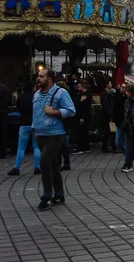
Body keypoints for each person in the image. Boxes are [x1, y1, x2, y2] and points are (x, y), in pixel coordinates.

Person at [31, 68, 76, 210]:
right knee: (54, 164)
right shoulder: (37, 94)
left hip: (55, 134)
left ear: (49, 79)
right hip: (41, 134)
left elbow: (71, 110)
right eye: (38, 76)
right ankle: (59, 194)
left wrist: (55, 112)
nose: (38, 78)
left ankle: (47, 196)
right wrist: (35, 128)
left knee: (44, 162)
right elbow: (36, 113)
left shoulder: (60, 93)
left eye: (41, 76)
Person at [8, 81, 41, 176]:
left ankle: (16, 168)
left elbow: (18, 109)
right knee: (36, 146)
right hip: (35, 123)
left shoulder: (21, 97)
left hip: (23, 124)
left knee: (21, 147)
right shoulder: (36, 96)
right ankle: (37, 167)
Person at [72, 81, 92, 154]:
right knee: (83, 132)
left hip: (82, 116)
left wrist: (82, 117)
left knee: (81, 132)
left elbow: (84, 107)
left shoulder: (85, 95)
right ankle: (85, 147)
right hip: (82, 116)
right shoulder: (82, 94)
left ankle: (81, 147)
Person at [100, 80, 117, 153]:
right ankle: (111, 147)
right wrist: (111, 114)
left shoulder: (108, 94)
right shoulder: (104, 94)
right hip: (108, 116)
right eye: (110, 83)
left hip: (108, 115)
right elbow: (106, 106)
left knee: (108, 132)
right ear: (107, 85)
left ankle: (107, 147)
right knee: (110, 131)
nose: (111, 84)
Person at [113, 84, 127, 153]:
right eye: (121, 87)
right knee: (118, 142)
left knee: (127, 141)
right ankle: (127, 153)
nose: (122, 89)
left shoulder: (128, 98)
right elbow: (115, 108)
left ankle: (128, 157)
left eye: (124, 88)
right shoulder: (117, 96)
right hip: (119, 121)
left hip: (127, 122)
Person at [0, 80, 10, 159]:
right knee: (3, 132)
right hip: (4, 112)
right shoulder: (5, 88)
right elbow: (10, 101)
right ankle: (3, 152)